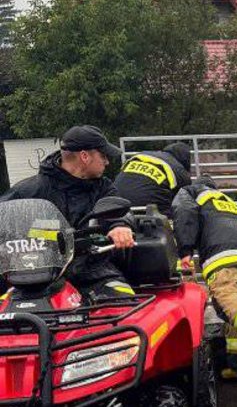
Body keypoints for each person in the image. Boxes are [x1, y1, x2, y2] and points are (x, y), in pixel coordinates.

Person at [0, 125, 135, 300]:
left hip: (94, 271)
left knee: (126, 306)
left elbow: (120, 211)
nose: (107, 162)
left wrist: (120, 226)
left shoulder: (103, 187)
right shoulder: (30, 190)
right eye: (103, 156)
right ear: (85, 156)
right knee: (10, 318)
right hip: (37, 277)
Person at [172, 179, 237, 377]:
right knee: (236, 307)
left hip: (222, 252)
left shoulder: (190, 192)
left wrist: (185, 249)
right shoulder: (226, 201)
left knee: (226, 294)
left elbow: (184, 213)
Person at [113, 141, 191, 215]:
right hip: (151, 211)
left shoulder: (141, 155)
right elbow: (185, 200)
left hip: (116, 204)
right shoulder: (179, 169)